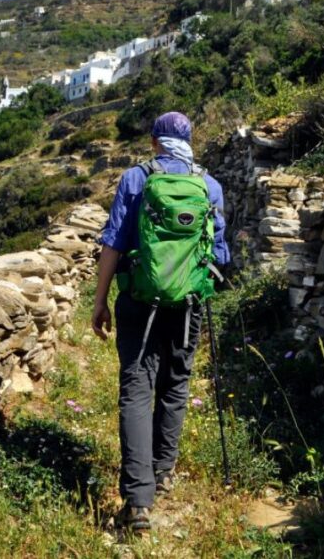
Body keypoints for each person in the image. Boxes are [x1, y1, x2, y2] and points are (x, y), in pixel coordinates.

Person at [90, 111, 230, 533]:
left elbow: (113, 243)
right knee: (176, 385)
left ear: (154, 142)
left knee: (136, 390)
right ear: (190, 143)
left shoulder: (136, 179)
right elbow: (219, 255)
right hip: (187, 305)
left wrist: (99, 303)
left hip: (137, 300)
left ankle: (138, 502)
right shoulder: (210, 186)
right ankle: (163, 471)